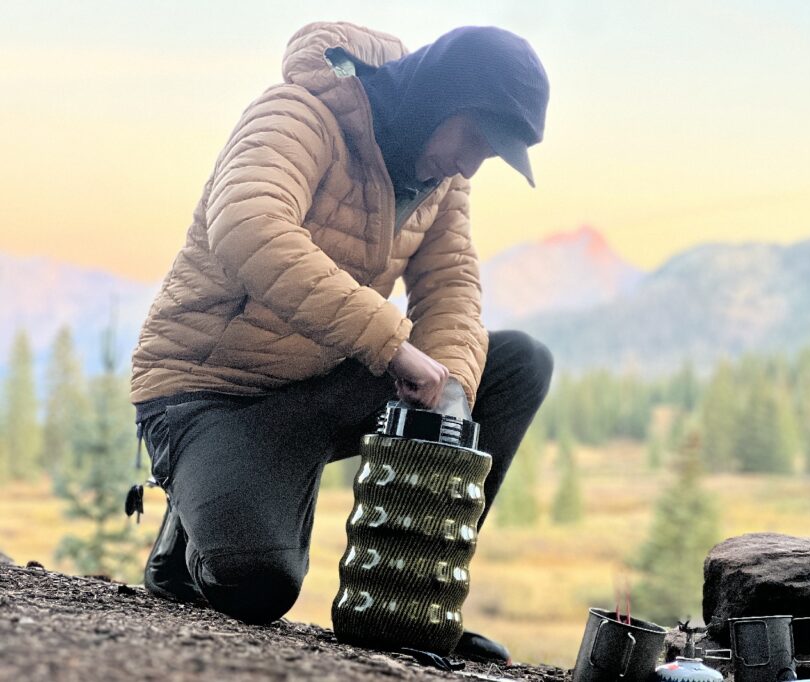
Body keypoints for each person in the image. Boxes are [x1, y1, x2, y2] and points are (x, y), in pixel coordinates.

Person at [129, 20, 553, 662]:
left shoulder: (443, 179)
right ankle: (189, 523)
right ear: (440, 97)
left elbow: (450, 284)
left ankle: (414, 603)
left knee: (516, 363)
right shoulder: (299, 113)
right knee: (257, 588)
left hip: (321, 380)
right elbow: (249, 227)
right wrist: (392, 345)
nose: (470, 163)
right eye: (472, 137)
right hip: (210, 392)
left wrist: (455, 394)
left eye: (487, 154)